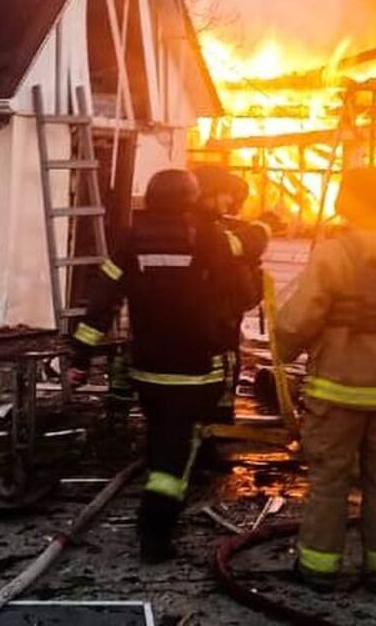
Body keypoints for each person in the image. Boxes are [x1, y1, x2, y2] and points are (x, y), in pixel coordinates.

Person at [70, 168, 255, 562]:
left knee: (159, 439)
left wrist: (81, 355)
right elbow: (242, 294)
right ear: (191, 199)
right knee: (174, 456)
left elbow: (102, 300)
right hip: (194, 370)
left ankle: (152, 518)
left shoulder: (131, 239)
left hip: (148, 369)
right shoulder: (208, 237)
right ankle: (155, 534)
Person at [275, 165, 376, 594]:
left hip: (338, 388)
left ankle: (319, 568)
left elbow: (298, 320)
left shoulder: (334, 254)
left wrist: (283, 350)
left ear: (347, 201)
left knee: (329, 479)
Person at [192, 165, 271, 398]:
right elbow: (244, 294)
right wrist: (261, 230)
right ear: (209, 194)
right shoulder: (206, 232)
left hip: (200, 336)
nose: (230, 200)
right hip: (214, 336)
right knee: (214, 400)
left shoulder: (194, 226)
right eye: (226, 193)